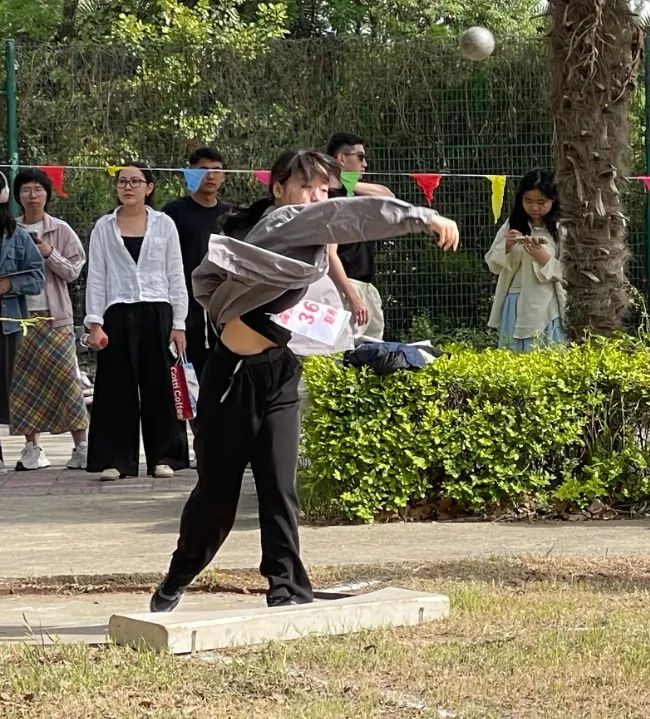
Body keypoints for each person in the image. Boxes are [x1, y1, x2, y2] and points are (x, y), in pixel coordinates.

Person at [151, 150, 459, 612]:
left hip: (279, 375)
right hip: (231, 380)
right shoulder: (284, 221)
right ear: (278, 189)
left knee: (281, 490)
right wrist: (422, 216)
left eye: (323, 190)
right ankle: (178, 576)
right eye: (305, 187)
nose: (316, 198)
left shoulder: (309, 241)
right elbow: (349, 214)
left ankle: (287, 590)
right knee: (217, 499)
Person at [84, 162, 190, 481]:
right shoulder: (104, 227)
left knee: (162, 386)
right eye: (122, 182)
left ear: (149, 187)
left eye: (135, 181)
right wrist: (95, 322)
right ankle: (117, 460)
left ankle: (165, 457)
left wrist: (179, 323)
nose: (128, 187)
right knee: (116, 388)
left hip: (159, 312)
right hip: (117, 313)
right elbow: (97, 277)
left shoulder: (164, 224)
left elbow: (176, 273)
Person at [9, 169, 89, 470]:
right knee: (24, 383)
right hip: (19, 318)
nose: (32, 195)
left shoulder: (60, 230)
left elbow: (73, 272)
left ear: (47, 194)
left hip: (56, 317)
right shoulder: (10, 229)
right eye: (26, 189)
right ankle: (32, 448)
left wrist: (48, 252)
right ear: (17, 196)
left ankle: (81, 446)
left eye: (38, 189)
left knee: (67, 380)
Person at [162, 147, 232, 379]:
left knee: (221, 370)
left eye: (216, 170)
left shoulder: (232, 215)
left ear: (224, 176)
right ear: (190, 173)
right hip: (184, 304)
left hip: (222, 304)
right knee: (184, 371)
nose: (210, 175)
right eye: (203, 170)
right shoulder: (173, 212)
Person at [485, 169, 567, 352]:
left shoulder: (561, 228)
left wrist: (545, 259)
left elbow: (570, 272)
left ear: (553, 200)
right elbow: (492, 264)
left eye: (541, 202)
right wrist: (506, 246)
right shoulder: (512, 224)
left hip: (546, 303)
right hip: (513, 302)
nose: (534, 208)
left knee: (546, 355)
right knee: (512, 357)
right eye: (528, 201)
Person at [324, 132, 395, 342]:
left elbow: (389, 197)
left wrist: (347, 182)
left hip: (367, 286)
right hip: (345, 286)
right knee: (345, 349)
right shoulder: (329, 199)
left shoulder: (353, 192)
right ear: (341, 159)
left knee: (375, 350)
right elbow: (330, 254)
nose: (365, 164)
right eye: (360, 157)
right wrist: (352, 297)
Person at [0, 172, 45, 472]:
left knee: (16, 389)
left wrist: (8, 285)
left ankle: (32, 447)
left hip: (8, 323)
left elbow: (36, 277)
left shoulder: (16, 234)